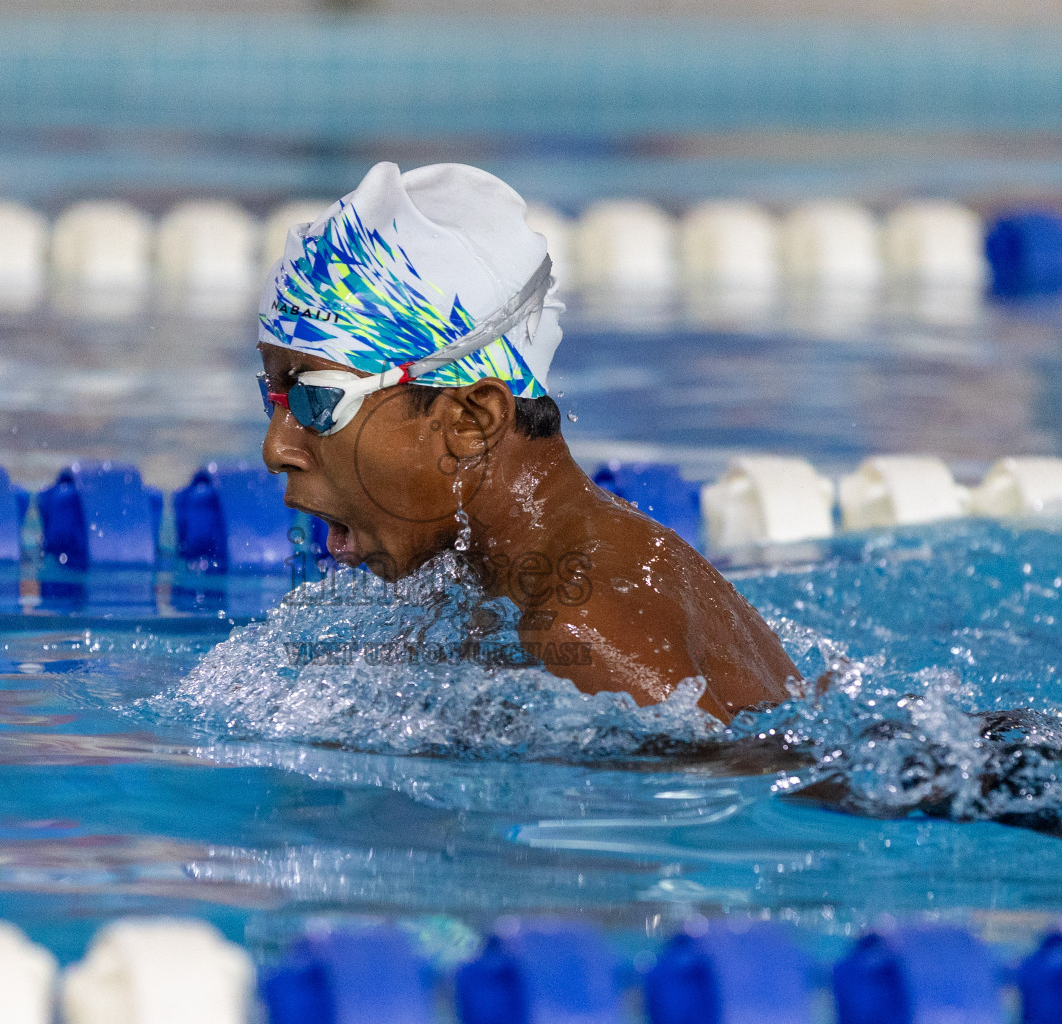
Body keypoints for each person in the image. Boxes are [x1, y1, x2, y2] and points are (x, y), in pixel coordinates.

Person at [255, 161, 797, 721]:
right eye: (272, 396)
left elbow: (760, 785)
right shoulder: (531, 570)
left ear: (472, 420)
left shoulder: (581, 628)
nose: (277, 450)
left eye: (315, 400)